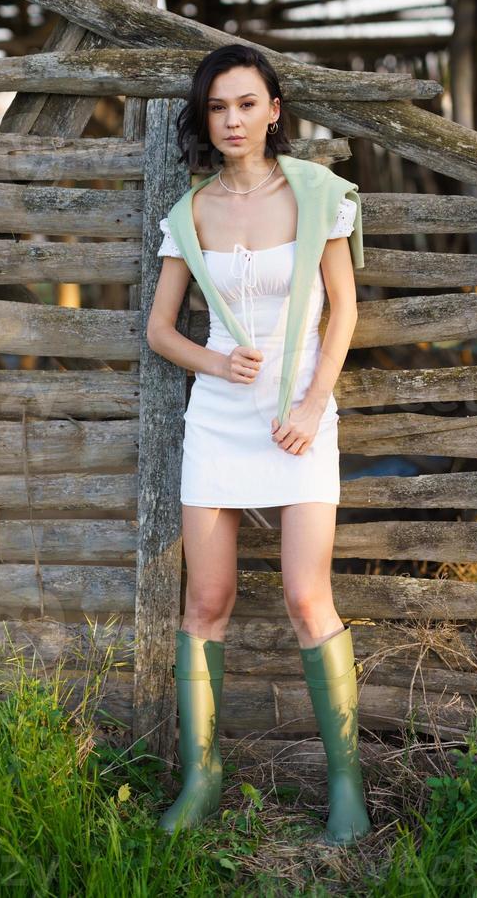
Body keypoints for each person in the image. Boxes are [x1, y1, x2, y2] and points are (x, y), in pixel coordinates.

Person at [146, 43, 372, 846]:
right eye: (218, 107)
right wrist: (214, 359)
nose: (233, 120)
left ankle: (347, 789)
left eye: (246, 104)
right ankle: (201, 780)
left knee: (309, 601)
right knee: (206, 603)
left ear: (275, 110)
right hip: (218, 420)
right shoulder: (192, 211)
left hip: (302, 419)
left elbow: (342, 313)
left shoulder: (318, 195)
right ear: (206, 120)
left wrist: (315, 404)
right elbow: (160, 330)